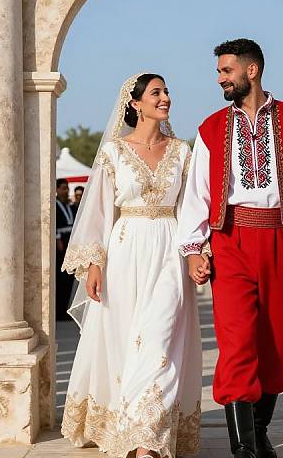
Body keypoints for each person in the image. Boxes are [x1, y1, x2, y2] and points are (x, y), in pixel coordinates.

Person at [178, 39, 283, 458]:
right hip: (230, 238)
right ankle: (245, 450)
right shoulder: (210, 128)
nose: (220, 78)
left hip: (281, 237)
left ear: (251, 70)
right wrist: (195, 247)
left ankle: (258, 429)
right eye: (219, 72)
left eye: (226, 71)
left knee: (276, 340)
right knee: (236, 342)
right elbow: (197, 191)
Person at [61, 73, 201, 458]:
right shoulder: (113, 153)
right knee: (127, 340)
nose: (166, 97)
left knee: (161, 340)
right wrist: (93, 263)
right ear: (136, 103)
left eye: (167, 91)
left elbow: (191, 208)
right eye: (157, 92)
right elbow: (98, 211)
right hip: (124, 251)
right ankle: (128, 427)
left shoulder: (182, 151)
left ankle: (147, 438)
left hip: (170, 251)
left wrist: (196, 251)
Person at [56, 178, 76, 320]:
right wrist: (57, 238)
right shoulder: (55, 205)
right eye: (63, 188)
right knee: (61, 278)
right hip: (61, 240)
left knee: (69, 278)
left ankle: (65, 309)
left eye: (67, 188)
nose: (66, 191)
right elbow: (54, 223)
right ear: (57, 189)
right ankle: (58, 310)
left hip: (71, 239)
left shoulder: (70, 206)